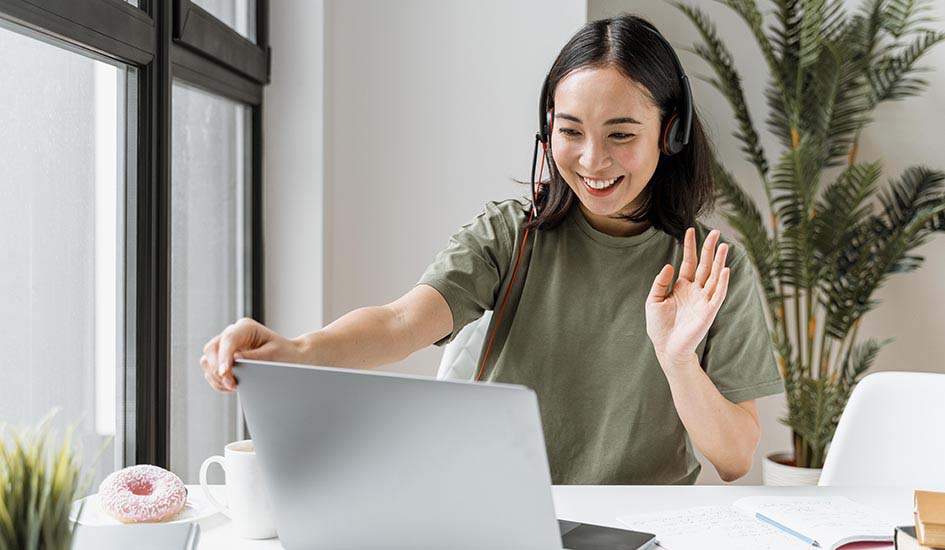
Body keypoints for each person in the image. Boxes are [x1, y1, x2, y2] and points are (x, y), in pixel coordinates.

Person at [200, 14, 783, 485]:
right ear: (547, 126)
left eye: (622, 135)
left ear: (670, 131)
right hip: (502, 511)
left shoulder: (708, 270)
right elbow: (403, 321)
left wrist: (679, 361)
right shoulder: (511, 234)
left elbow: (733, 460)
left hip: (640, 529)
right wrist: (294, 350)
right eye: (570, 131)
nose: (591, 160)